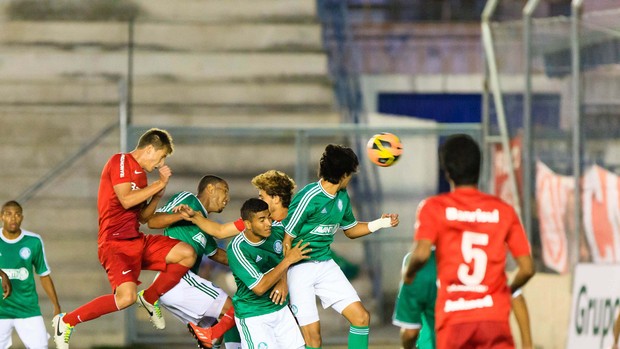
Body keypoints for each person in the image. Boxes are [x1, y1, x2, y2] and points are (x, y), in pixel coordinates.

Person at [52, 128, 197, 349]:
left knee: (187, 254)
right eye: (162, 156)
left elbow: (142, 217)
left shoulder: (141, 175)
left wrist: (158, 195)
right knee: (126, 298)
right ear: (149, 149)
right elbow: (126, 200)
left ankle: (149, 298)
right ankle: (65, 321)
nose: (161, 163)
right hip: (114, 243)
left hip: (135, 239)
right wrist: (158, 184)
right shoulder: (121, 160)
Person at [403, 134, 535, 349]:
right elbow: (528, 269)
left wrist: (408, 274)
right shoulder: (503, 211)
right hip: (494, 320)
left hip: (455, 321)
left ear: (446, 172)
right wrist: (506, 290)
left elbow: (421, 254)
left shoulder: (434, 208)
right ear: (479, 168)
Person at [281, 144, 399, 349]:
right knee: (313, 340)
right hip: (300, 269)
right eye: (351, 173)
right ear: (344, 174)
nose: (352, 177)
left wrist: (380, 223)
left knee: (361, 318)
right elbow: (285, 239)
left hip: (326, 265)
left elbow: (351, 230)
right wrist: (283, 278)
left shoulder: (342, 197)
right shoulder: (309, 197)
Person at [147, 175, 244, 349]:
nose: (227, 199)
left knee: (217, 331)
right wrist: (180, 216)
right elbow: (153, 221)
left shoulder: (205, 225)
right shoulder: (188, 199)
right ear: (210, 189)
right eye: (225, 191)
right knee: (234, 309)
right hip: (176, 279)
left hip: (180, 286)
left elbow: (219, 256)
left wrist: (249, 262)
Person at [393, 250, 534, 349]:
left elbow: (410, 330)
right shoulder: (476, 258)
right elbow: (515, 294)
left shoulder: (415, 263)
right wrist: (527, 345)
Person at [226, 198, 310, 348]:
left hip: (281, 309)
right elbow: (259, 288)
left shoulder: (277, 230)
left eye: (269, 217)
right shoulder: (238, 248)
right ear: (248, 224)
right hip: (254, 315)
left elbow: (286, 249)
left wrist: (283, 280)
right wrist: (287, 261)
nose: (269, 223)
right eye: (262, 220)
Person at [0, 200, 61, 349]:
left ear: (22, 218)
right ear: (1, 217)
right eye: (8, 214)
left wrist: (56, 306)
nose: (13, 218)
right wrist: (3, 274)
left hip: (27, 308)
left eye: (17, 214)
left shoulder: (33, 241)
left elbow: (44, 275)